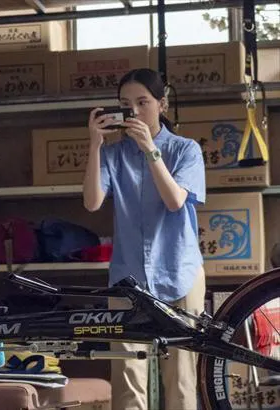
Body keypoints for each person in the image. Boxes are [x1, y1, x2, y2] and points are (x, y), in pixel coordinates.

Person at [83, 68, 206, 410]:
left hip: (179, 270)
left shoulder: (185, 150)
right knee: (127, 374)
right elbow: (92, 202)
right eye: (125, 104)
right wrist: (95, 145)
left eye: (143, 102)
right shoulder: (113, 154)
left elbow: (175, 201)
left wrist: (151, 149)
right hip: (128, 276)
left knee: (180, 373)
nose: (134, 112)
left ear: (162, 104)